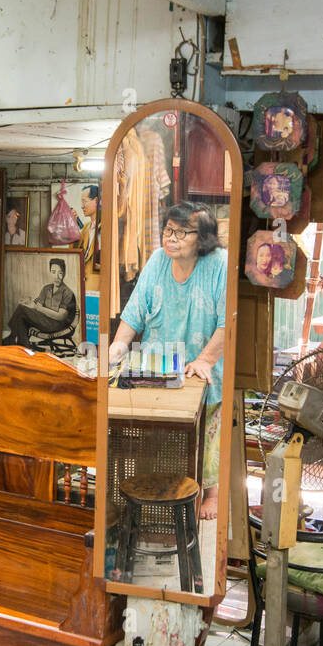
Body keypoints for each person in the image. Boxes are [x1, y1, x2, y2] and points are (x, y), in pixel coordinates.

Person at [109, 202, 227, 519]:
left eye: (180, 232)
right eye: (167, 230)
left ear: (201, 238)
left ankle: (210, 492)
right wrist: (117, 346)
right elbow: (134, 313)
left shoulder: (219, 264)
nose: (170, 238)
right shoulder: (158, 260)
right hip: (158, 367)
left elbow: (228, 322)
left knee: (206, 436)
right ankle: (160, 494)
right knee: (159, 434)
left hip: (200, 364)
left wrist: (204, 360)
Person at [6, 258, 77, 346]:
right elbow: (38, 306)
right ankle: (23, 345)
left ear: (64, 274)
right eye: (53, 272)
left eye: (60, 273)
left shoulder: (68, 293)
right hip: (45, 321)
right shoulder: (46, 288)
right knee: (22, 314)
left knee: (21, 310)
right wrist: (29, 303)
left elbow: (61, 316)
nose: (56, 276)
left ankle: (12, 338)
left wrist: (36, 308)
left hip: (59, 325)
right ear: (50, 273)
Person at [77, 184, 101, 276]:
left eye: (84, 201)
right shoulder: (86, 228)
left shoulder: (105, 227)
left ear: (96, 201)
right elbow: (77, 251)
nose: (82, 206)